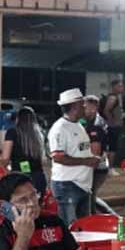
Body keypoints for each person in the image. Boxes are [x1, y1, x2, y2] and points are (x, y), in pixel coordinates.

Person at [48, 89, 100, 225]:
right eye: (82, 104)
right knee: (70, 228)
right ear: (75, 106)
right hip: (67, 185)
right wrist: (87, 161)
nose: (85, 107)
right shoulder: (60, 128)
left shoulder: (78, 125)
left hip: (83, 185)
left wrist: (92, 159)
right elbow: (58, 157)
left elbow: (80, 150)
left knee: (84, 227)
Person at [0, 106, 48, 195]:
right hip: (39, 178)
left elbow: (5, 158)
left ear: (18, 119)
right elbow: (44, 161)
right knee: (36, 206)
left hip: (20, 179)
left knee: (20, 207)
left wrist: (6, 171)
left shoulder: (13, 132)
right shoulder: (39, 134)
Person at [83, 95, 111, 214]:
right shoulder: (93, 121)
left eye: (86, 107)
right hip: (100, 164)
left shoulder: (96, 124)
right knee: (91, 196)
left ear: (93, 108)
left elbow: (96, 151)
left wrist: (89, 168)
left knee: (90, 198)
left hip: (98, 166)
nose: (83, 110)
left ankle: (108, 217)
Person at [103, 78, 125, 171]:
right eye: (120, 86)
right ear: (114, 87)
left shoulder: (116, 97)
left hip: (114, 126)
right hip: (113, 127)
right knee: (112, 148)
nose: (122, 88)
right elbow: (106, 111)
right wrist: (112, 122)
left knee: (113, 148)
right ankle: (110, 168)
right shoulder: (113, 98)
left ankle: (109, 168)